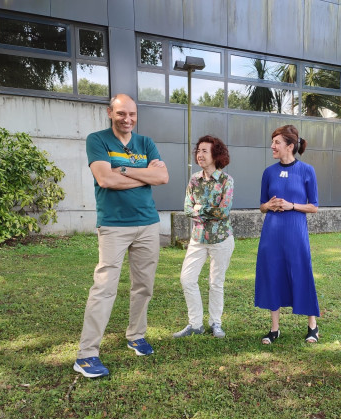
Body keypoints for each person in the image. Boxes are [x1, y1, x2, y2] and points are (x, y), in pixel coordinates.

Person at [73, 93, 169, 378]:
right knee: (104, 287)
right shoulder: (98, 140)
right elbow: (105, 179)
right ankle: (86, 355)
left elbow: (162, 178)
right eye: (121, 113)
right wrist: (143, 173)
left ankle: (136, 335)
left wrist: (124, 169)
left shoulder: (145, 143)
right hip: (114, 225)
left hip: (148, 224)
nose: (127, 119)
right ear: (110, 113)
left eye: (132, 114)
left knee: (144, 286)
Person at [255, 125, 320, 344]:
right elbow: (262, 206)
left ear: (290, 146)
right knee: (273, 274)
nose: (272, 146)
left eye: (277, 142)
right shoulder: (268, 172)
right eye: (272, 142)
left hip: (295, 232)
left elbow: (314, 207)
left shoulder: (306, 170)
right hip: (271, 233)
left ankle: (313, 326)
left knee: (302, 272)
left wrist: (292, 205)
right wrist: (269, 205)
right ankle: (274, 329)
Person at [173, 135, 234, 339]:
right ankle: (195, 324)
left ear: (216, 154)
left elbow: (223, 212)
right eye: (198, 151)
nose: (200, 154)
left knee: (216, 282)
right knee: (187, 279)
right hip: (198, 239)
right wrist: (207, 209)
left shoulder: (226, 181)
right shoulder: (194, 179)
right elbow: (187, 208)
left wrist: (200, 208)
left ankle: (216, 323)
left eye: (204, 151)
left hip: (221, 239)